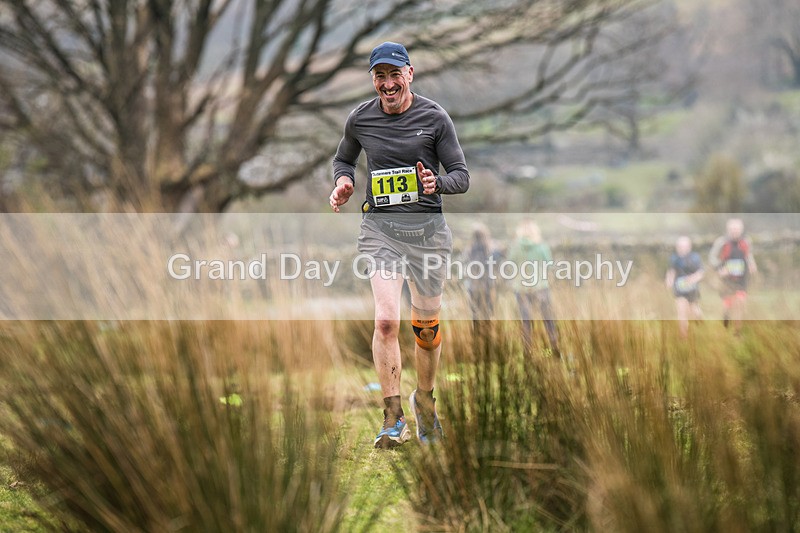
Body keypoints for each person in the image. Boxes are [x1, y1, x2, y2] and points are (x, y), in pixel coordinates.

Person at [329, 42, 470, 448]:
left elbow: (461, 176)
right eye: (380, 76)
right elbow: (343, 159)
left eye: (394, 74)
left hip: (428, 235)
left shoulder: (434, 118)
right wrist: (344, 182)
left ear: (409, 74)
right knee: (386, 321)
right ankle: (392, 418)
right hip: (381, 232)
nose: (388, 84)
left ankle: (424, 401)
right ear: (373, 79)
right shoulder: (360, 118)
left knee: (426, 330)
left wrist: (436, 183)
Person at [506, 219, 560, 358]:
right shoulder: (542, 247)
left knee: (526, 322)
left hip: (521, 289)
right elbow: (550, 265)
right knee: (548, 320)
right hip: (541, 288)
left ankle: (527, 353)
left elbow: (510, 266)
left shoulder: (515, 247)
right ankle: (555, 350)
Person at [708, 218, 757, 332]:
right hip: (726, 281)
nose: (735, 231)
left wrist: (751, 264)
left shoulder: (746, 241)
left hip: (741, 280)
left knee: (740, 303)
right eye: (732, 229)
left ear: (741, 229)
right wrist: (720, 268)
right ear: (728, 230)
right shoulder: (721, 242)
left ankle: (737, 333)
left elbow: (748, 255)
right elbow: (712, 258)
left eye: (737, 229)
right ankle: (725, 324)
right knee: (727, 307)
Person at [463, 223, 500, 336]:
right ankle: (488, 338)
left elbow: (465, 266)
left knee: (475, 315)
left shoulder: (469, 251)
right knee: (488, 314)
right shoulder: (490, 250)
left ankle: (477, 339)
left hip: (473, 288)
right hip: (487, 287)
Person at [665, 236, 704, 338]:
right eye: (680, 247)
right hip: (679, 290)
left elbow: (700, 273)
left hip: (692, 290)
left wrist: (692, 279)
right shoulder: (674, 258)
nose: (682, 249)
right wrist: (669, 280)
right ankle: (683, 336)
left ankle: (699, 323)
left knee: (694, 311)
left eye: (684, 246)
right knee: (681, 311)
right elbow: (671, 271)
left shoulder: (695, 258)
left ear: (689, 247)